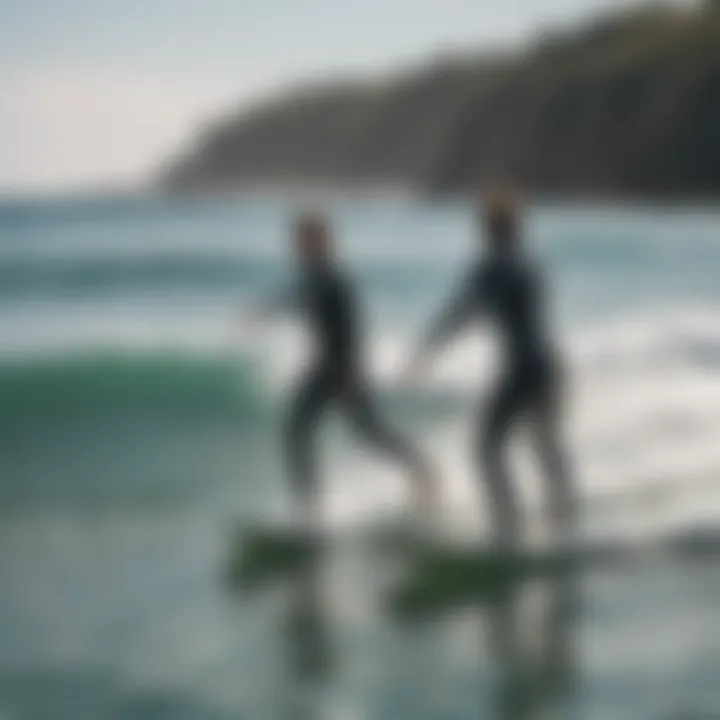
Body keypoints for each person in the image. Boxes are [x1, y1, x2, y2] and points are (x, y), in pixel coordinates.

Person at [407, 188, 574, 548]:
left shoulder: (490, 267)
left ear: (485, 229)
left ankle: (509, 526)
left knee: (486, 448)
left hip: (521, 368)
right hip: (549, 363)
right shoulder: (531, 263)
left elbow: (463, 310)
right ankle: (565, 518)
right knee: (544, 442)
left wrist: (428, 347)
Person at [251, 211, 436, 529]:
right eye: (298, 239)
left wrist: (352, 372)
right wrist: (268, 310)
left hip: (340, 370)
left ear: (322, 241)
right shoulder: (314, 275)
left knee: (354, 432)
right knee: (311, 431)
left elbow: (353, 325)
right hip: (326, 368)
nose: (299, 245)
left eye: (306, 238)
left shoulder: (332, 277)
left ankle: (419, 472)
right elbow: (301, 302)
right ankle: (310, 507)